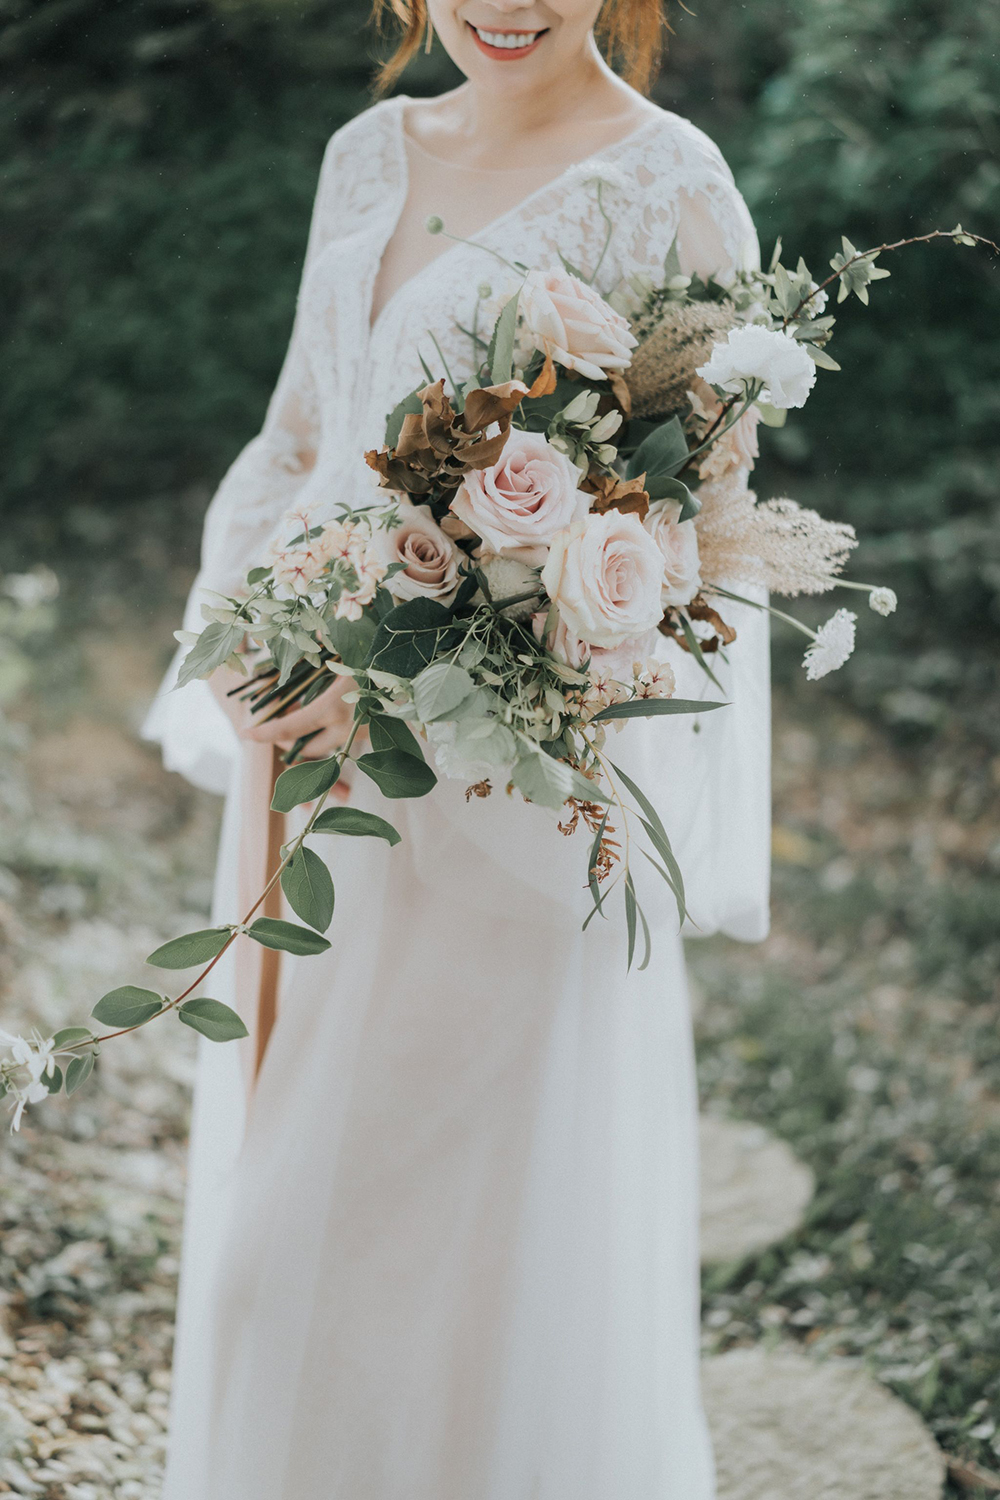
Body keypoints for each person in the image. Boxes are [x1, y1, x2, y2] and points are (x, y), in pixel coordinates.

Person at [143, 2, 772, 1494]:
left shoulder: (672, 184)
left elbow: (702, 540)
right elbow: (307, 433)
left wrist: (421, 677)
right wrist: (247, 629)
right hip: (312, 763)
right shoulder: (367, 155)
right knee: (279, 1233)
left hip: (508, 801)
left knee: (448, 1248)